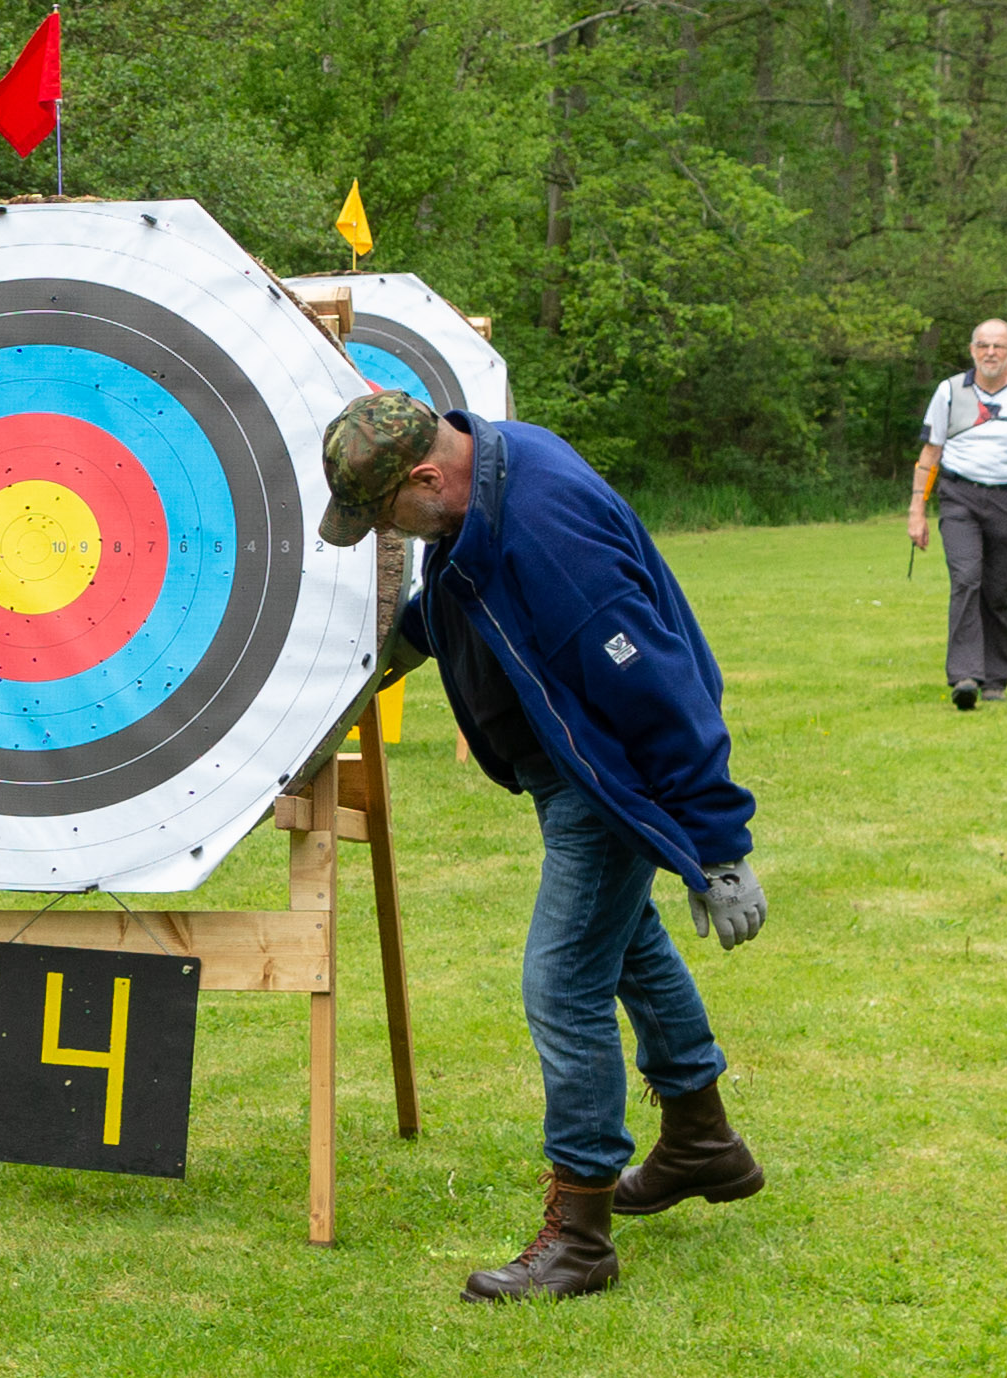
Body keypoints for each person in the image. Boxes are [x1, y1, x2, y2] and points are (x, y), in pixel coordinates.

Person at [318, 392, 768, 1303]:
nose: (383, 533)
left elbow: (659, 686)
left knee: (562, 983)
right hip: (567, 765)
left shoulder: (547, 532)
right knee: (626, 944)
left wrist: (717, 845)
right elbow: (474, 585)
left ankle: (580, 1239)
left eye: (384, 514)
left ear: (426, 476)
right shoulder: (484, 472)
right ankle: (701, 1141)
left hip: (600, 778)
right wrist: (411, 640)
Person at [906, 319, 1007, 710]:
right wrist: (917, 509)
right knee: (966, 578)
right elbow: (930, 453)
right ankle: (965, 677)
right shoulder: (950, 392)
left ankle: (995, 679)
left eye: (998, 345)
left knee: (998, 589)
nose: (990, 352)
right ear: (972, 350)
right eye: (983, 345)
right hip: (960, 497)